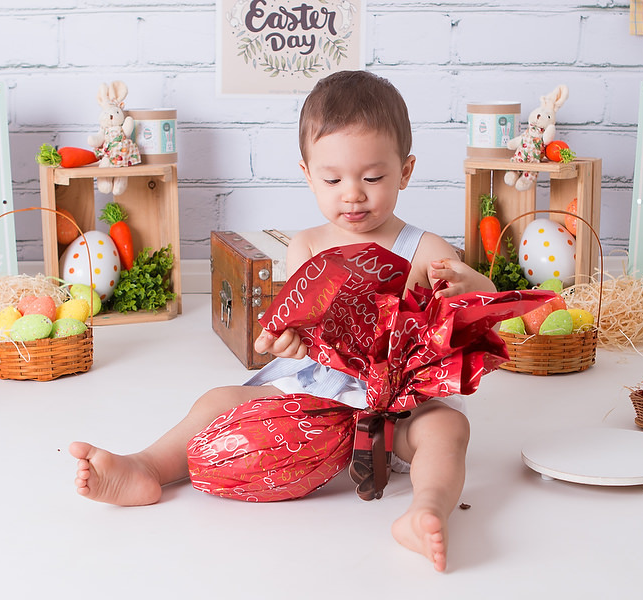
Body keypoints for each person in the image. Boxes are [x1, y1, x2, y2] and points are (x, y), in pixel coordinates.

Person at [69, 70, 496, 573]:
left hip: (398, 402)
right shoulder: (307, 245)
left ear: (405, 171)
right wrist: (287, 342)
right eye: (332, 180)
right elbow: (295, 329)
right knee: (218, 399)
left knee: (447, 427)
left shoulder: (426, 249)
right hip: (317, 393)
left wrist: (472, 285)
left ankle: (426, 510)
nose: (353, 195)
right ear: (307, 174)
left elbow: (482, 311)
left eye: (372, 178)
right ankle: (147, 467)